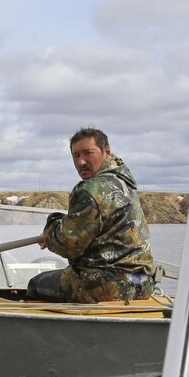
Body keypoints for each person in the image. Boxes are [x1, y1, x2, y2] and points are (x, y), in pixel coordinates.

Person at [27, 127, 156, 303]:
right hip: (143, 285)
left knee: (36, 285)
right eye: (76, 156)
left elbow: (67, 245)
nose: (81, 162)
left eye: (88, 153)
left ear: (107, 151)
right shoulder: (125, 184)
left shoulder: (92, 189)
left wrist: (52, 227)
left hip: (109, 286)